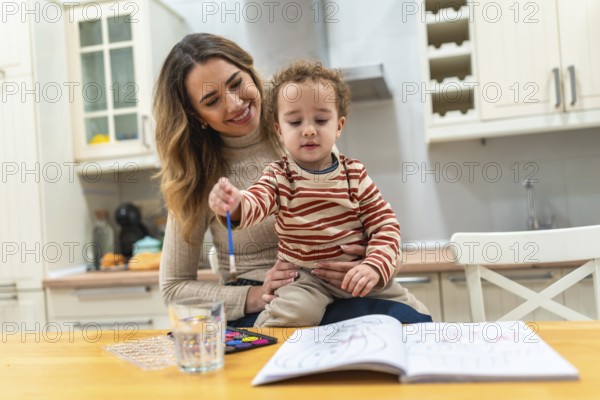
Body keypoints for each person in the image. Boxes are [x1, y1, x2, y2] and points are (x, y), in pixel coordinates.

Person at [155, 33, 431, 326]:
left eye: (236, 83)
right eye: (212, 101)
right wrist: (255, 295)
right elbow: (174, 288)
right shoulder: (195, 175)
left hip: (340, 288)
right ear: (196, 115)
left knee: (414, 321)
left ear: (250, 70)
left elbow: (365, 216)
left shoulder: (301, 121)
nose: (235, 104)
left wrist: (367, 258)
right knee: (386, 326)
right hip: (277, 301)